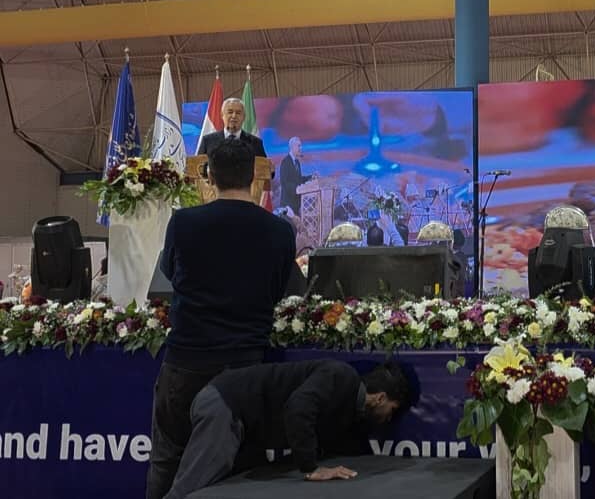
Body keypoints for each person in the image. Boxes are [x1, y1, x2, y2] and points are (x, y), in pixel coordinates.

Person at [147, 140, 297, 499]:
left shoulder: (183, 223)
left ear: (209, 176)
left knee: (168, 462)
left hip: (185, 364)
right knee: (241, 473)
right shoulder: (280, 231)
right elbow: (281, 289)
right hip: (245, 370)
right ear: (254, 177)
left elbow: (169, 274)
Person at [163, 360, 413, 499]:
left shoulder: (351, 410)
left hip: (242, 420)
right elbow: (298, 408)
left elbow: (353, 449)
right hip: (226, 405)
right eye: (391, 410)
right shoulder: (341, 376)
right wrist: (311, 469)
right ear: (380, 397)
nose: (388, 419)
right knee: (190, 490)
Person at [197, 98, 268, 157]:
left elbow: (264, 167)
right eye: (230, 112)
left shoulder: (255, 143)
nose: (234, 116)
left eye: (238, 113)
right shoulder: (208, 141)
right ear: (222, 115)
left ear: (244, 117)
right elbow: (197, 166)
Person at [278, 137, 312, 215]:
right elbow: (284, 183)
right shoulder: (285, 162)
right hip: (287, 205)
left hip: (296, 204)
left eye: (300, 146)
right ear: (292, 146)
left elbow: (298, 179)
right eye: (299, 146)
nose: (300, 148)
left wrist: (310, 177)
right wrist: (297, 188)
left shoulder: (297, 162)